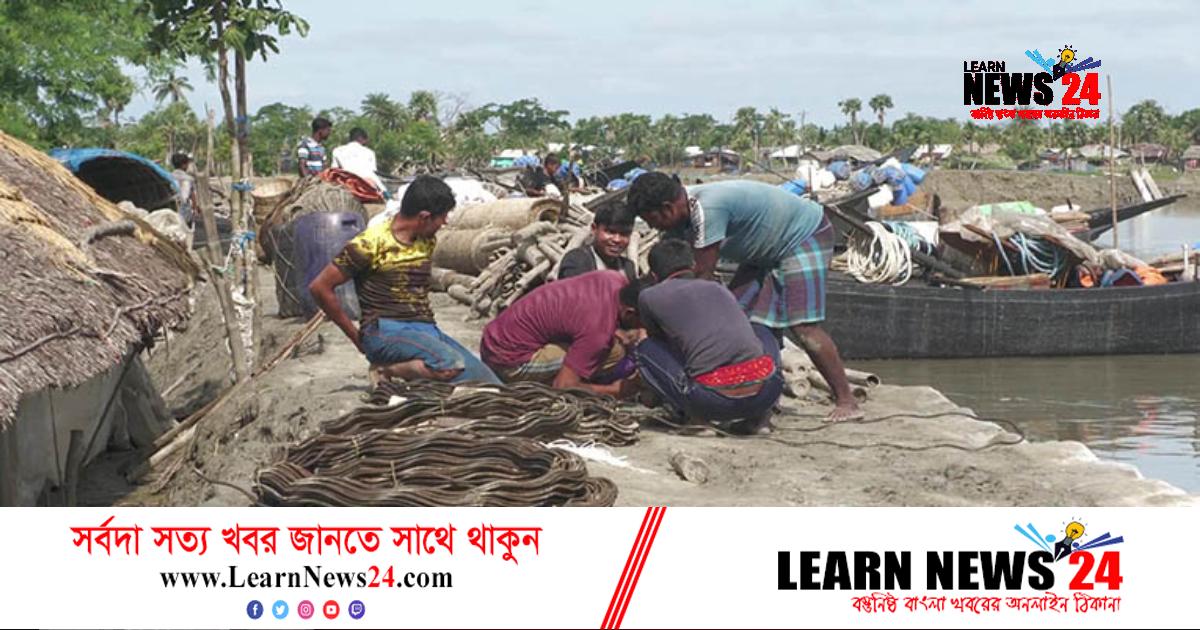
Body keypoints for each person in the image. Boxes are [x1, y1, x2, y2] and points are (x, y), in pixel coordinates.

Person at [627, 173, 862, 422]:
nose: (653, 228)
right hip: (763, 251)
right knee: (741, 315)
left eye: (652, 220)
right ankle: (760, 398)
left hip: (802, 236)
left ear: (667, 208)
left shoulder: (708, 209)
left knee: (803, 326)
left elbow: (701, 277)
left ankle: (846, 399)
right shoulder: (683, 212)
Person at [309, 175, 499, 384]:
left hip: (425, 329)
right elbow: (320, 287)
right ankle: (385, 371)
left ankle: (418, 374)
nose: (444, 223)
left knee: (489, 382)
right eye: (442, 217)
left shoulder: (426, 240)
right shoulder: (369, 244)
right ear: (424, 217)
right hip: (384, 330)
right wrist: (357, 338)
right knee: (449, 365)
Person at [625, 240, 782, 433]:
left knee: (645, 348)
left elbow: (660, 341)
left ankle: (698, 421)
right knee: (761, 330)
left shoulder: (649, 296)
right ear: (693, 266)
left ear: (654, 275)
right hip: (765, 393)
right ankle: (762, 418)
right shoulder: (719, 288)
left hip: (710, 401)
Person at [480, 270, 638, 396]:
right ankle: (533, 386)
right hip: (507, 362)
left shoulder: (613, 279)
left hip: (494, 337)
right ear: (630, 313)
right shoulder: (598, 334)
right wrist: (614, 391)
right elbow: (563, 386)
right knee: (614, 353)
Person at [555, 204, 637, 281]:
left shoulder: (627, 267)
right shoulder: (577, 261)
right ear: (594, 229)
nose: (617, 239)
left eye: (624, 234)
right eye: (611, 232)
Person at [332, 127, 388, 197]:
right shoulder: (369, 152)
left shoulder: (337, 151)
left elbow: (335, 170)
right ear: (361, 138)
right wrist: (384, 191)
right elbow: (373, 172)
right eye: (366, 140)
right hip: (367, 184)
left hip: (347, 184)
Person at [170, 152, 196, 228]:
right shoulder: (189, 179)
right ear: (184, 165)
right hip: (185, 212)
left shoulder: (168, 177)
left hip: (172, 211)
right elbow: (193, 197)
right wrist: (195, 208)